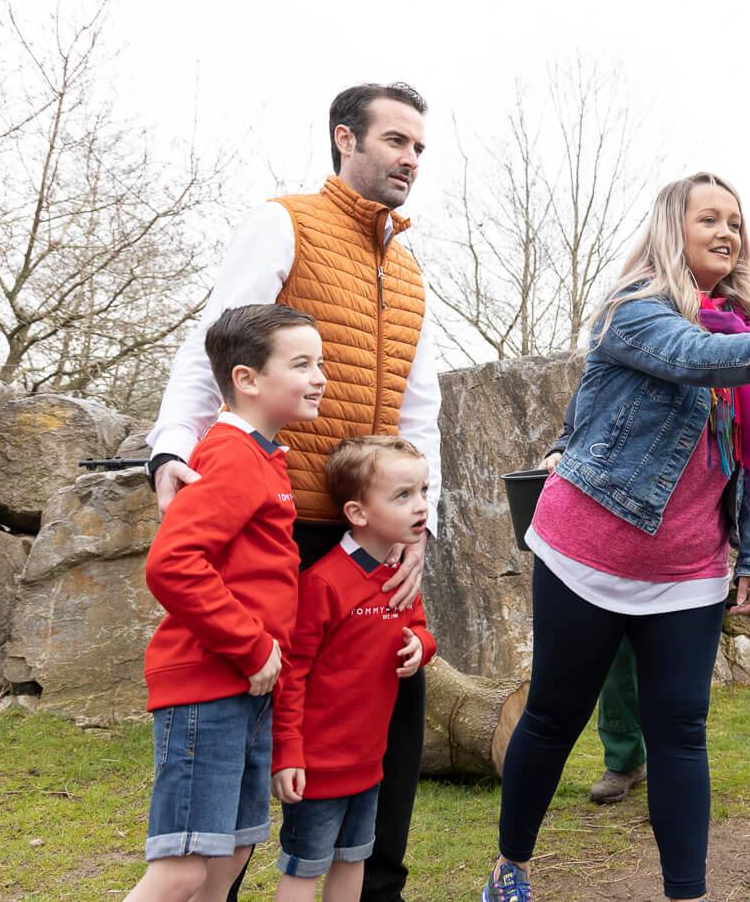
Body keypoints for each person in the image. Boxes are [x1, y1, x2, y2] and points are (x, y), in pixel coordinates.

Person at [481, 172, 750, 902]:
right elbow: (693, 359)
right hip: (587, 554)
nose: (727, 233)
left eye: (736, 222)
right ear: (674, 229)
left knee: (681, 733)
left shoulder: (738, 331)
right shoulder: (633, 311)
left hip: (689, 568)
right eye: (709, 219)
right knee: (555, 716)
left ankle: (686, 894)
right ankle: (511, 865)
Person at [145, 82, 442, 902]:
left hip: (371, 529)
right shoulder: (284, 223)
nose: (410, 158)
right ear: (346, 138)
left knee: (389, 712)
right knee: (255, 724)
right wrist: (171, 448)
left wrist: (419, 525)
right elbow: (215, 342)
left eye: (419, 147)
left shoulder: (410, 269)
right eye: (395, 140)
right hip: (283, 522)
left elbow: (420, 406)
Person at [124, 304, 326, 902]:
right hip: (208, 688)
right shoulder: (233, 455)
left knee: (230, 856)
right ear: (247, 379)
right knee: (184, 868)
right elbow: (171, 564)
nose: (319, 378)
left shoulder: (265, 457)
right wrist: (251, 645)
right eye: (302, 364)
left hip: (248, 688)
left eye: (319, 364)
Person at [271, 436, 437, 902]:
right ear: (357, 513)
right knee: (304, 870)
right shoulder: (323, 584)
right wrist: (288, 753)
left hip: (370, 763)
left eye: (423, 491)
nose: (421, 505)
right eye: (403, 495)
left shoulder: (398, 576)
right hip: (317, 768)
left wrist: (420, 646)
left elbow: (420, 626)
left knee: (354, 860)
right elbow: (291, 673)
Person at [540, 400, 645, 806]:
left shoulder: (716, 374)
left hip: (682, 541)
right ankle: (625, 759)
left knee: (671, 665)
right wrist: (559, 451)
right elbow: (575, 427)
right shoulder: (605, 372)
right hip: (607, 532)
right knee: (615, 654)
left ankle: (675, 763)